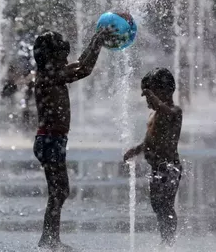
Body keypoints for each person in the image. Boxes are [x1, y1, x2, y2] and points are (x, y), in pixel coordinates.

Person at [33, 28, 110, 250]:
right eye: (62, 55)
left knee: (59, 190)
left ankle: (49, 237)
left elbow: (79, 63)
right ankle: (48, 239)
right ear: (51, 57)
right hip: (49, 141)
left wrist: (96, 41)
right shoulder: (48, 76)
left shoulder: (51, 72)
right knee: (59, 190)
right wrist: (98, 43)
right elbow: (84, 69)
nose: (67, 59)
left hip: (53, 140)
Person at [123, 68, 183, 246]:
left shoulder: (174, 112)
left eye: (150, 96)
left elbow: (167, 112)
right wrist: (136, 150)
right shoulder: (155, 114)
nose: (147, 100)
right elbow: (150, 140)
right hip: (156, 168)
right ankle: (164, 238)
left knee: (166, 205)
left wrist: (155, 99)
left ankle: (169, 241)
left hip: (169, 168)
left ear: (165, 92)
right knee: (158, 206)